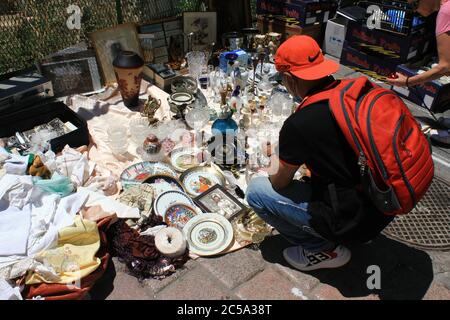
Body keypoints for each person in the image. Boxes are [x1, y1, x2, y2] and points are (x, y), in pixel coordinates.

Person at [246, 36, 394, 271]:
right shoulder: (349, 90)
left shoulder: (301, 123)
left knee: (256, 191)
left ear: (289, 79)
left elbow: (279, 181)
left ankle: (321, 248)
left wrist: (276, 154)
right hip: (383, 204)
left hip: (351, 220)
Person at [388, 0, 450, 144]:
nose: (415, 11)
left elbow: (445, 66)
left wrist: (408, 81)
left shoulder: (446, 12)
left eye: (415, 4)